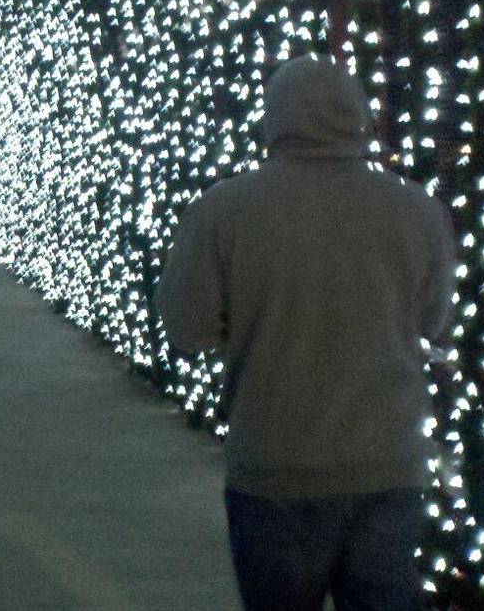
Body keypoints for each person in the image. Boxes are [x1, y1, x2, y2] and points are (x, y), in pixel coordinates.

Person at [154, 55, 456, 611]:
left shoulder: (227, 209)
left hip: (275, 465)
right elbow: (434, 323)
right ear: (358, 116)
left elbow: (186, 327)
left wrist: (248, 325)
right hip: (388, 462)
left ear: (274, 119)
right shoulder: (415, 209)